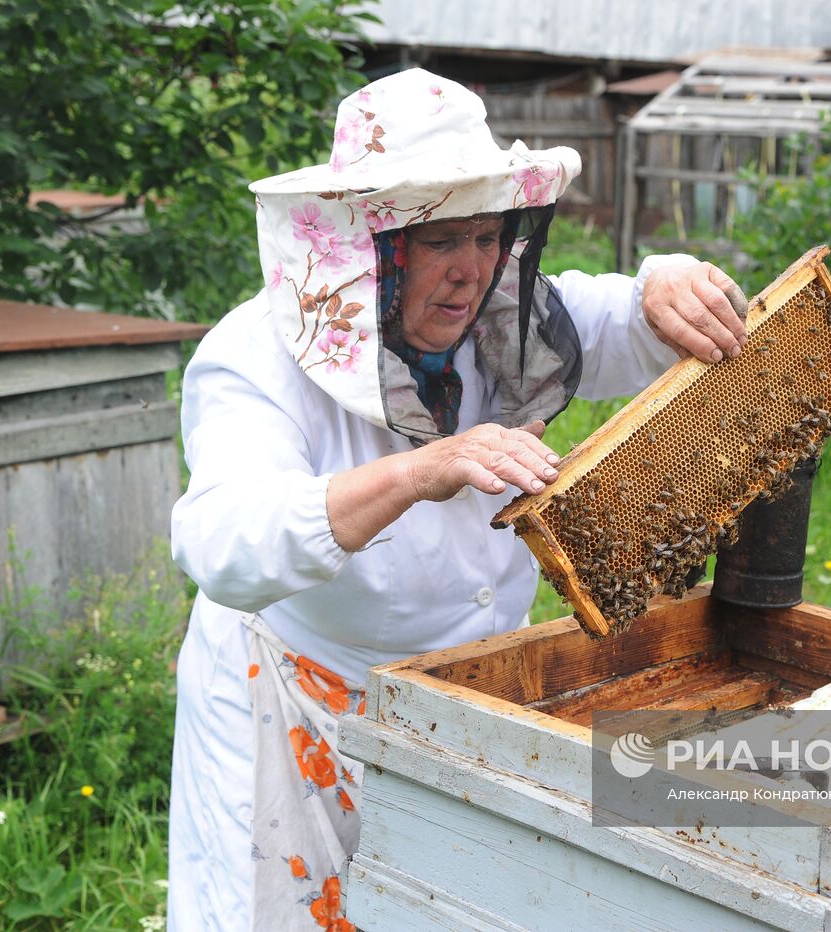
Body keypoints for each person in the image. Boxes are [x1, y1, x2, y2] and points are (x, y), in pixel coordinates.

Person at [167, 68, 748, 931]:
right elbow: (220, 544)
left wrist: (666, 281)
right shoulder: (253, 360)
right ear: (373, 245)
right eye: (442, 241)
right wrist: (418, 471)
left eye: (488, 236)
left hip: (460, 699)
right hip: (288, 701)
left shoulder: (508, 316)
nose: (472, 270)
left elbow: (631, 320)